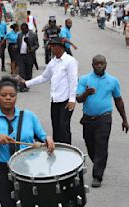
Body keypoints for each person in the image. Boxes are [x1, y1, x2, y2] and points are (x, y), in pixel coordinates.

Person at [0, 76, 55, 207]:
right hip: (3, 171)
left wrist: (48, 138)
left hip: (29, 169)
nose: (8, 98)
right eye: (3, 95)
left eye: (12, 95)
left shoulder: (29, 116)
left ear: (16, 97)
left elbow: (42, 135)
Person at [76, 55, 128, 188]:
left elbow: (118, 100)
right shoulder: (85, 79)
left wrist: (124, 119)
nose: (99, 66)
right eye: (96, 64)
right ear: (92, 65)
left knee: (101, 146)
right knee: (90, 145)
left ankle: (97, 175)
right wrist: (86, 93)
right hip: (88, 119)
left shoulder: (113, 81)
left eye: (102, 63)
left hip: (104, 119)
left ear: (106, 65)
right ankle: (98, 163)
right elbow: (79, 99)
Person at [18, 37, 78, 144]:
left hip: (66, 100)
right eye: (51, 46)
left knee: (63, 127)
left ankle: (68, 152)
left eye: (53, 46)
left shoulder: (70, 61)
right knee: (56, 127)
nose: (51, 49)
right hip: (55, 100)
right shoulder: (53, 62)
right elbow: (44, 77)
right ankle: (58, 150)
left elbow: (73, 81)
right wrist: (27, 83)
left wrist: (72, 99)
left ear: (60, 47)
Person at [17, 23, 39, 91]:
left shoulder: (33, 35)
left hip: (29, 56)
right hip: (21, 56)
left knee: (28, 71)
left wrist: (32, 48)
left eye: (24, 29)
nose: (23, 31)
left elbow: (37, 45)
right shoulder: (19, 35)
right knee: (21, 71)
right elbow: (18, 44)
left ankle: (27, 85)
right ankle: (21, 86)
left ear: (27, 29)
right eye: (22, 29)